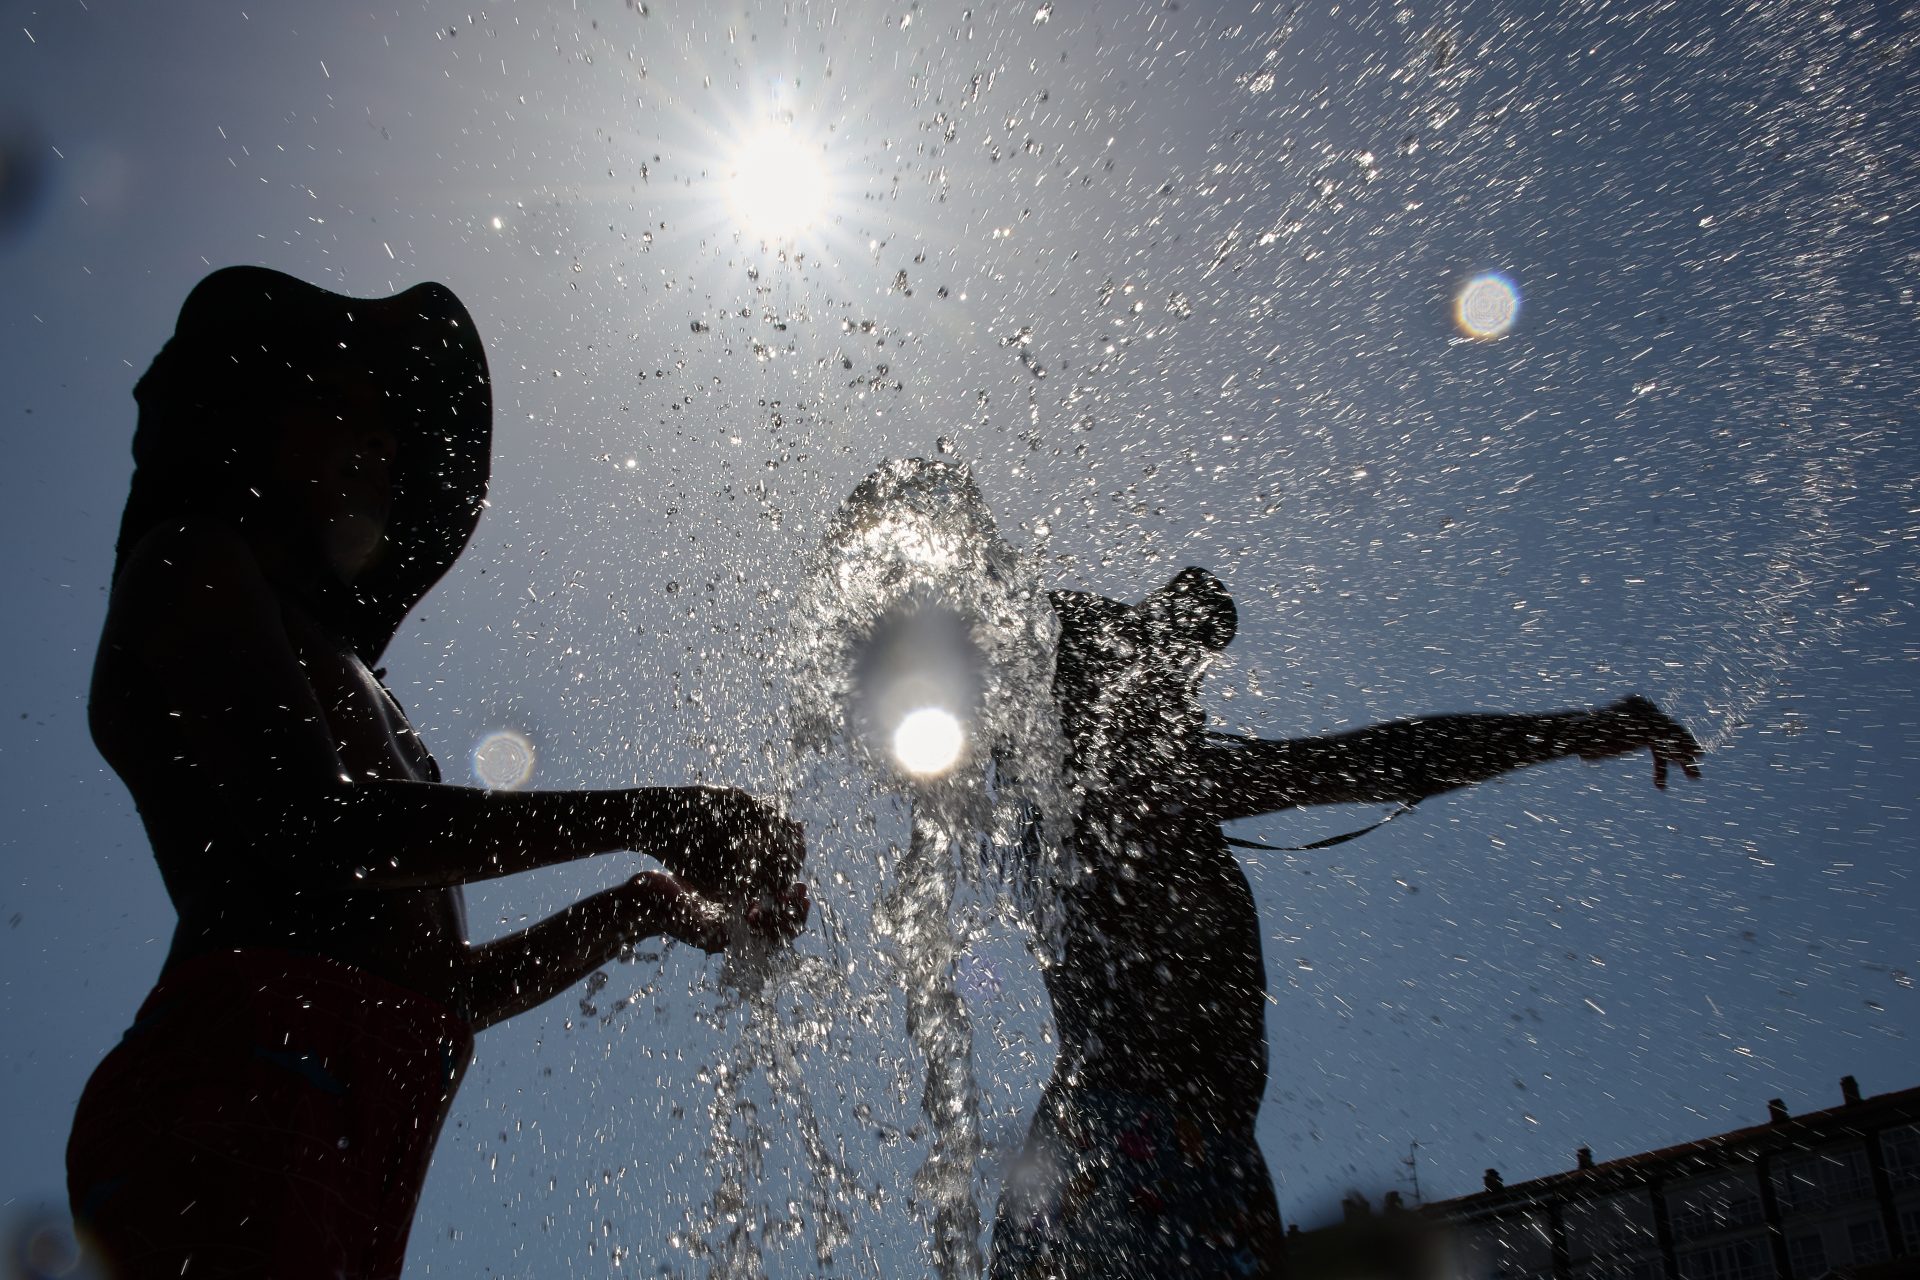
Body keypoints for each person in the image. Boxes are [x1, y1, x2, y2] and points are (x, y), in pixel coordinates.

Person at [69, 266, 809, 1280]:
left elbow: (452, 987)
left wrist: (644, 905)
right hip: (235, 1085)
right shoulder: (193, 560)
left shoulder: (356, 678)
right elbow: (323, 829)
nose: (382, 444)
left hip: (360, 1112)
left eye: (394, 431)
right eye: (346, 408)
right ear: (253, 416)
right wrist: (652, 812)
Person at [987, 567, 1701, 1280]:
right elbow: (1391, 759)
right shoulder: (1144, 791)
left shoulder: (1074, 819)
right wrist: (1577, 731)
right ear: (1107, 695)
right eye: (1169, 682)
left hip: (1115, 1158)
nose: (1191, 701)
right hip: (1152, 1164)